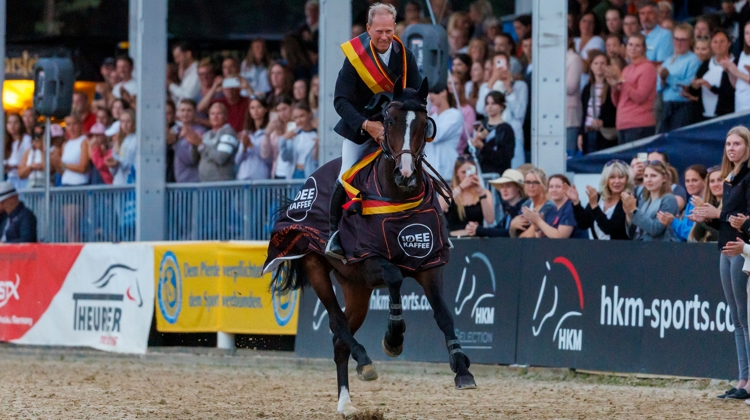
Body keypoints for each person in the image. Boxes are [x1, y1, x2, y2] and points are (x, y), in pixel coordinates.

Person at [326, 3, 423, 259]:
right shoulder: (355, 58)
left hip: (395, 131)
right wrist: (366, 124)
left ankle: (431, 223)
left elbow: (416, 97)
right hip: (360, 129)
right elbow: (340, 101)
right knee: (345, 174)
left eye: (389, 31)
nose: (384, 37)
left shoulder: (405, 56)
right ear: (368, 29)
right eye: (378, 31)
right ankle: (334, 235)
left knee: (419, 165)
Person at [692, 126, 750, 400]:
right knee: (737, 317)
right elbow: (729, 217)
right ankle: (743, 377)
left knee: (744, 316)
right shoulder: (730, 178)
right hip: (726, 248)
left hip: (742, 249)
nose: (731, 148)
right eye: (728, 144)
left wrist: (719, 214)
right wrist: (709, 217)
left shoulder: (747, 177)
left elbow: (744, 218)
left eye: (737, 143)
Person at [607, 34, 657, 145]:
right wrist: (614, 86)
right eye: (630, 44)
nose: (633, 48)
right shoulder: (626, 69)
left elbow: (640, 97)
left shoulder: (648, 68)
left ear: (643, 48)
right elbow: (617, 101)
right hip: (623, 124)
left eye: (637, 45)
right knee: (626, 161)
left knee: (639, 160)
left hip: (639, 124)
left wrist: (621, 80)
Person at [570, 160, 632, 240]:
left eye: (621, 177)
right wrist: (576, 202)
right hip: (598, 249)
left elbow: (610, 228)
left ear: (627, 180)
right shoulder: (598, 197)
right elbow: (583, 224)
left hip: (620, 250)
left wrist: (595, 207)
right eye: (612, 177)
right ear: (606, 180)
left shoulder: (628, 200)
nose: (617, 181)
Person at [659, 23, 701, 132]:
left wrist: (668, 78)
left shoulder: (694, 59)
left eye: (683, 40)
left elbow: (688, 85)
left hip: (682, 105)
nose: (678, 43)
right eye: (676, 39)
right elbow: (658, 87)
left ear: (690, 41)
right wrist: (663, 80)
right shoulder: (668, 60)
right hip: (666, 105)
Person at [439, 155, 494, 236]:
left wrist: (481, 194)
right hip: (455, 239)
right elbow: (439, 209)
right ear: (456, 172)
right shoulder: (447, 192)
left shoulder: (485, 193)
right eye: (463, 172)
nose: (466, 176)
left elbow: (490, 220)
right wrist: (460, 188)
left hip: (477, 240)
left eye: (470, 172)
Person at [623, 160, 678, 241]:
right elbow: (631, 234)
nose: (648, 180)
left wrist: (634, 211)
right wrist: (629, 214)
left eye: (653, 176)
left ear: (664, 178)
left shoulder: (669, 199)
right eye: (645, 176)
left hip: (660, 250)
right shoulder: (643, 200)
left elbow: (655, 229)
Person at [520, 174, 587, 239]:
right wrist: (537, 227)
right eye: (551, 187)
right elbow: (541, 238)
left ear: (567, 188)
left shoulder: (571, 207)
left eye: (558, 187)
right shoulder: (552, 209)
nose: (554, 190)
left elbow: (560, 237)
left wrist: (538, 220)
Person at [466, 168, 526, 237]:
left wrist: (480, 230)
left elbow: (507, 234)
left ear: (518, 188)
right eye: (502, 186)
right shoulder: (509, 210)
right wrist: (477, 229)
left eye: (508, 186)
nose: (504, 190)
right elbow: (499, 229)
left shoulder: (523, 208)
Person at [691, 30, 736, 121]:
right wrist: (694, 86)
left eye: (722, 41)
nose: (718, 45)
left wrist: (711, 88)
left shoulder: (736, 63)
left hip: (725, 116)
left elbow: (733, 91)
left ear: (729, 43)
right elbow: (695, 91)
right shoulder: (705, 64)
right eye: (715, 42)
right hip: (703, 116)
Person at [579, 51, 618, 154]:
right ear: (591, 66)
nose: (599, 66)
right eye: (596, 63)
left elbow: (617, 113)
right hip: (588, 132)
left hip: (605, 134)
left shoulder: (612, 88)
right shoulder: (587, 89)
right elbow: (583, 113)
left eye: (602, 63)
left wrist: (603, 122)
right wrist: (580, 134)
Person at [189, 103, 238, 182]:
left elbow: (221, 158)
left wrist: (201, 145)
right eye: (212, 114)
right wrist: (194, 144)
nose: (215, 117)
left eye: (219, 113)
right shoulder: (206, 134)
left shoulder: (229, 132)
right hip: (205, 185)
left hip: (222, 186)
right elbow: (194, 159)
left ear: (225, 116)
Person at [656, 164, 706, 242]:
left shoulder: (706, 203)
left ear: (705, 181)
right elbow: (682, 237)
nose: (690, 184)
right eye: (687, 181)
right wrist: (671, 223)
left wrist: (673, 222)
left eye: (694, 180)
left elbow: (695, 235)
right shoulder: (690, 202)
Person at [469, 92, 514, 175]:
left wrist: (482, 147)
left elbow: (505, 158)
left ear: (502, 106)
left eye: (493, 103)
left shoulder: (506, 129)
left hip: (497, 175)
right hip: (480, 173)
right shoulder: (481, 126)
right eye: (487, 103)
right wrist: (475, 141)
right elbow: (470, 152)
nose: (490, 107)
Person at [426, 88, 463, 181]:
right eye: (429, 93)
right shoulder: (431, 118)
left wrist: (425, 112)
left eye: (434, 92)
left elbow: (436, 135)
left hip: (447, 172)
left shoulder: (455, 115)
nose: (430, 96)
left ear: (444, 92)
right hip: (430, 174)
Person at [510, 168, 555, 237]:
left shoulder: (549, 206)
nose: (531, 186)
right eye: (528, 182)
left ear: (544, 185)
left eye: (535, 182)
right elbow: (514, 233)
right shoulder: (526, 204)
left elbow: (529, 235)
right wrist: (512, 226)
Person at [279, 102, 318, 179]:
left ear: (309, 114)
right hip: (295, 174)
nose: (299, 120)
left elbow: (317, 160)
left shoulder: (317, 135)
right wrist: (283, 140)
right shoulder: (294, 135)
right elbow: (285, 157)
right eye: (296, 117)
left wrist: (317, 146)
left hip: (311, 175)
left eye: (302, 116)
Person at [172, 99, 207, 183]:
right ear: (178, 113)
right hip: (177, 181)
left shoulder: (200, 132)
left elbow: (191, 159)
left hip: (193, 182)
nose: (185, 114)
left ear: (195, 113)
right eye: (182, 110)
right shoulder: (175, 131)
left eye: (189, 110)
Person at [688, 165, 721, 243]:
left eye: (720, 180)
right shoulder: (709, 203)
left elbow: (724, 238)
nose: (715, 184)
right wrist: (703, 214)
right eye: (712, 181)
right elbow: (695, 238)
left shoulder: (732, 206)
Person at [723, 21, 750, 113]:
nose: (749, 36)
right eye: (747, 33)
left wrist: (736, 71)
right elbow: (736, 84)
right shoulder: (743, 54)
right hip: (740, 104)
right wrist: (729, 71)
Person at [269, 96, 296, 180]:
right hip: (277, 171)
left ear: (291, 107)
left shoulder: (295, 126)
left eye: (284, 109)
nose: (282, 113)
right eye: (279, 110)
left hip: (290, 171)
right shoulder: (276, 129)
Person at [107, 109, 137, 185]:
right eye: (122, 121)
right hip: (119, 183)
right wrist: (112, 165)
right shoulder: (119, 142)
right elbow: (114, 172)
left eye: (128, 121)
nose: (125, 125)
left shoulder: (137, 139)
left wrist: (119, 163)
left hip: (132, 182)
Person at [448, 72, 476, 154]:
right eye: (450, 83)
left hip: (458, 153)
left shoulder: (468, 109)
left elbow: (467, 135)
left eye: (455, 84)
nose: (452, 86)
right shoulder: (438, 107)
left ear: (461, 86)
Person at [60, 114, 91, 187]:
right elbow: (62, 168)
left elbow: (83, 168)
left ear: (80, 124)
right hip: (65, 183)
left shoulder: (84, 141)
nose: (71, 128)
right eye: (68, 125)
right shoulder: (65, 144)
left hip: (79, 184)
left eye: (75, 124)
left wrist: (64, 165)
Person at [4, 113, 32, 191]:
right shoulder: (5, 142)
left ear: (20, 124)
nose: (12, 126)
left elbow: (28, 161)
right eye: (10, 122)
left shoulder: (26, 139)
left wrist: (12, 166)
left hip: (23, 179)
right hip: (10, 178)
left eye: (15, 122)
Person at [575, 12, 606, 80]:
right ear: (579, 23)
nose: (586, 25)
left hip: (588, 84)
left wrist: (572, 51)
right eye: (584, 21)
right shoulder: (575, 41)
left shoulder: (597, 41)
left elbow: (586, 68)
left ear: (594, 25)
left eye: (590, 22)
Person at [566, 41, 583, 156]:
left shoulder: (573, 58)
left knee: (568, 154)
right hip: (552, 112)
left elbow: (571, 87)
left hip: (569, 116)